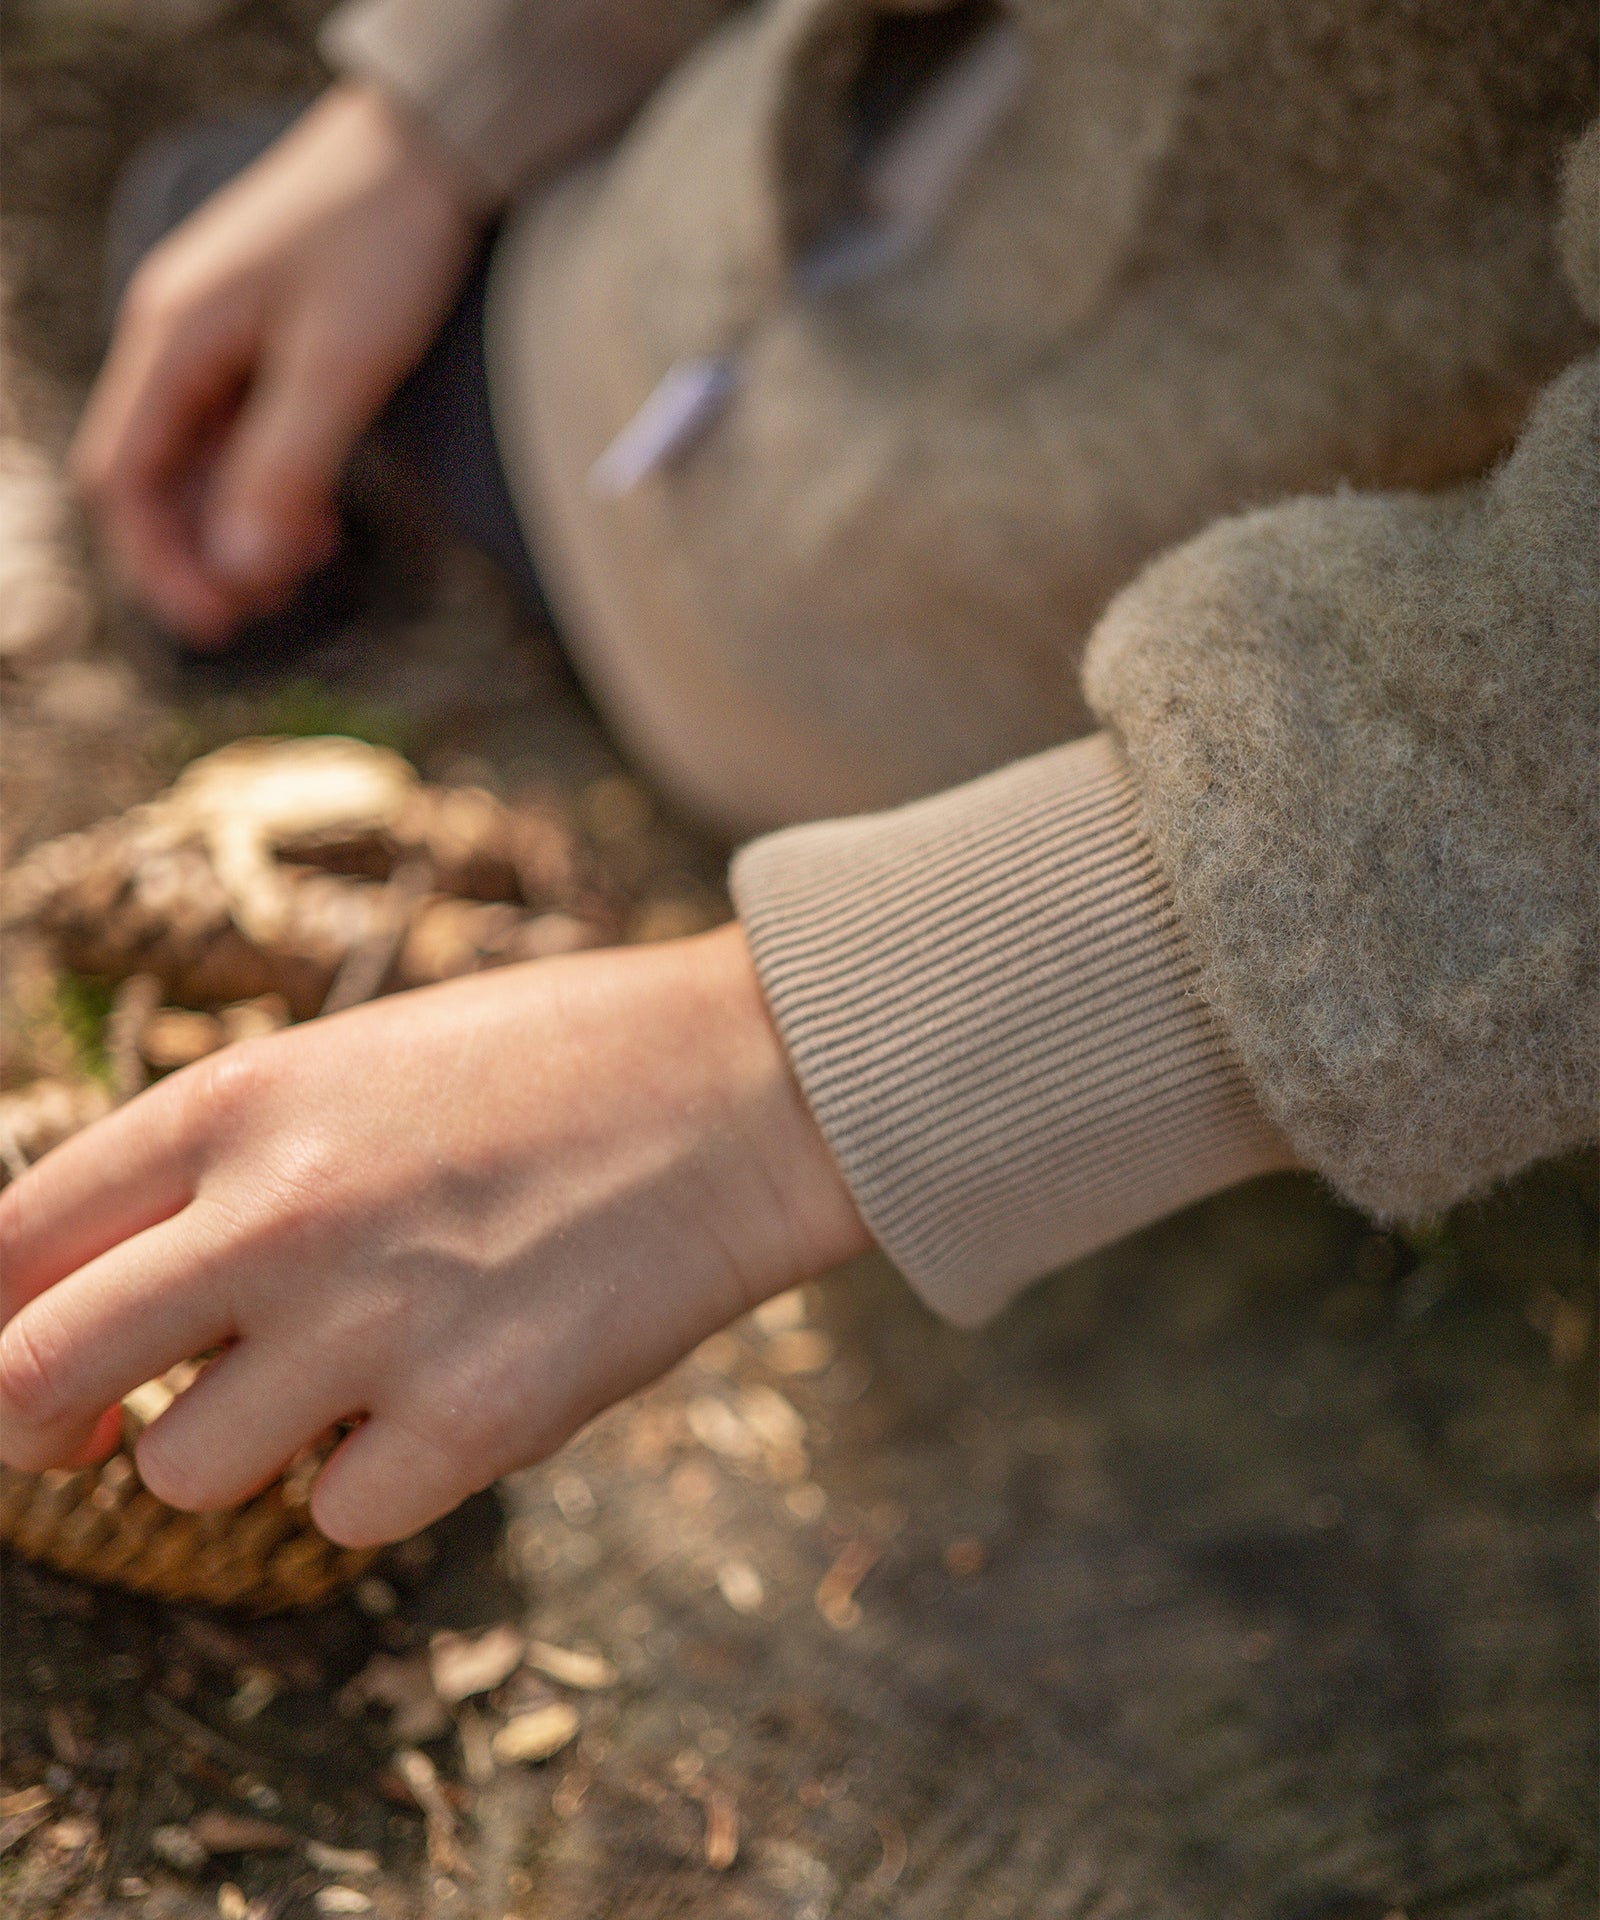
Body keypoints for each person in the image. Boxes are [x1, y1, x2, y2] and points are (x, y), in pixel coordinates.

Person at [1, 0, 1593, 1551]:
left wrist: (777, 1090)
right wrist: (444, 108)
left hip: (1032, 707)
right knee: (199, 224)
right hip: (646, 304)